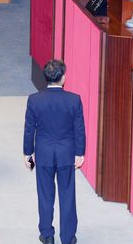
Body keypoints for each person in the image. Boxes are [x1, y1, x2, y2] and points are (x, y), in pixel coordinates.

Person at [23, 59, 85, 244]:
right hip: (66, 154)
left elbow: (29, 129)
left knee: (45, 195)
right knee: (67, 195)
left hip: (43, 154)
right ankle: (67, 237)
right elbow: (79, 129)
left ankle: (47, 234)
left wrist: (28, 153)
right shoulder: (74, 100)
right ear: (63, 78)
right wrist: (79, 153)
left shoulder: (34, 100)